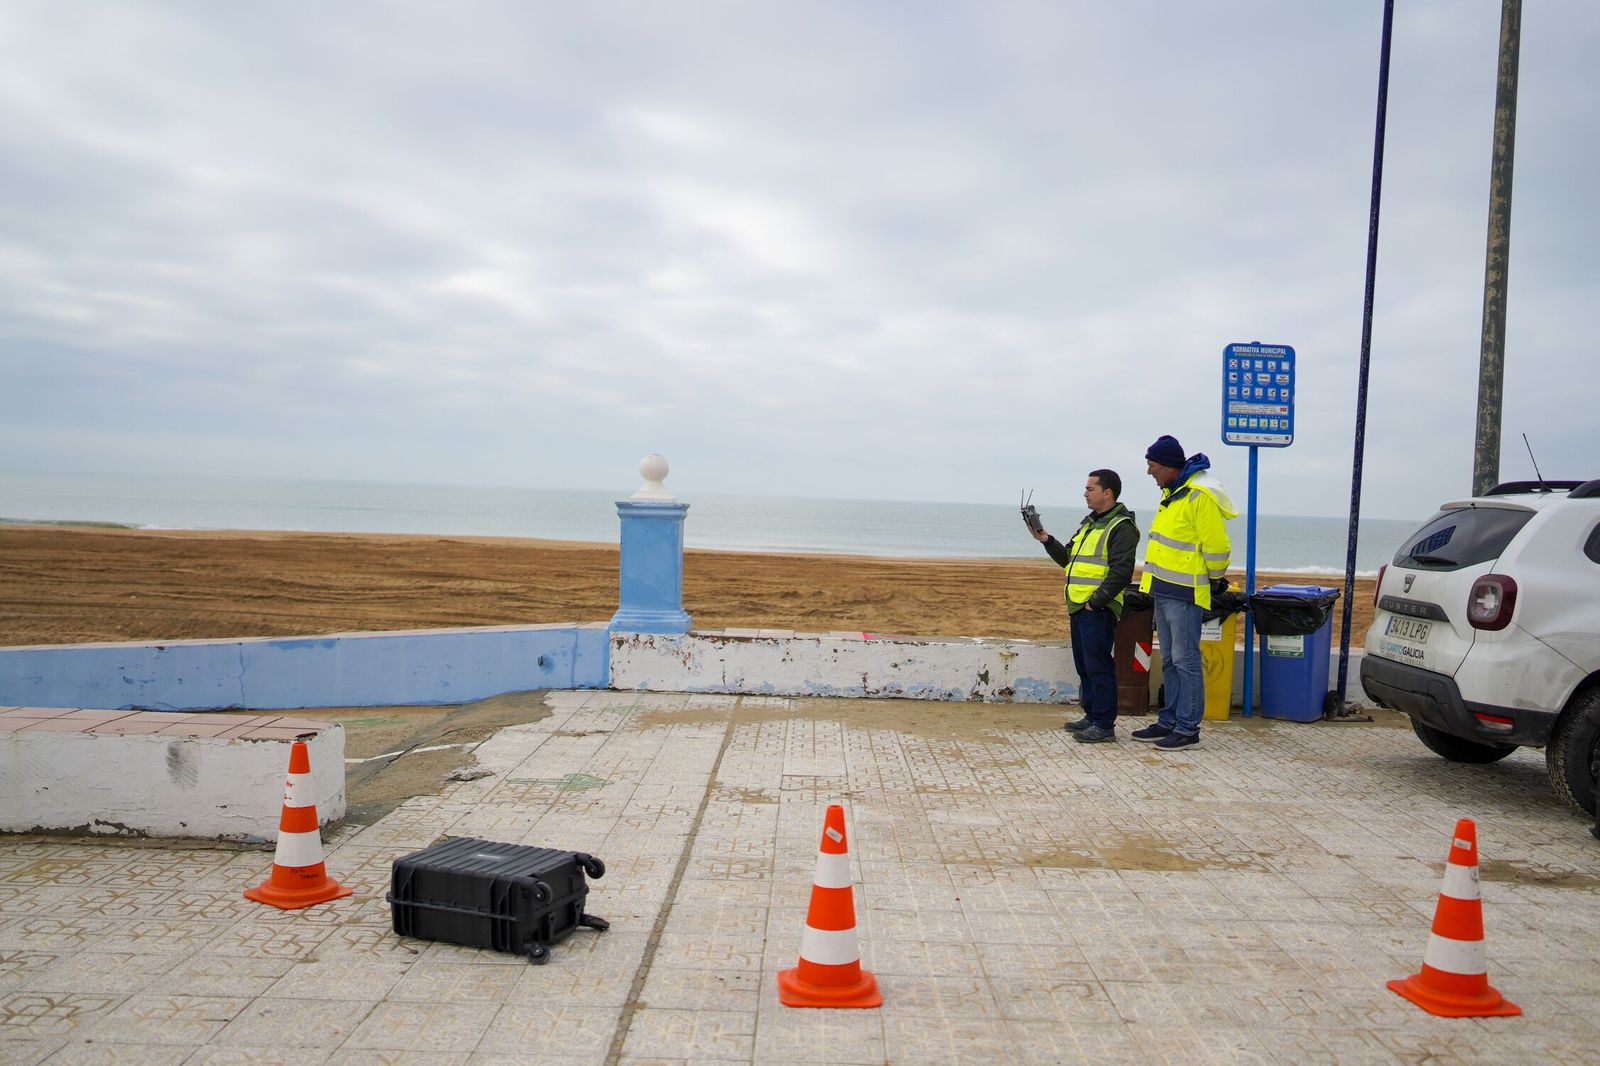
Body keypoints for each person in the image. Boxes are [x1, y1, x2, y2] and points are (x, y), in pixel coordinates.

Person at [1132, 434, 1236, 750]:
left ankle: (1188, 728)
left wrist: (1214, 580)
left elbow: (1217, 547)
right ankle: (1169, 721)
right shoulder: (1173, 495)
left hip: (1185, 592)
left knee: (1185, 659)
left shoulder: (1197, 497)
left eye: (1152, 465)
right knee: (1170, 660)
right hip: (1163, 590)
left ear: (1168, 466)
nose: (1149, 471)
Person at [1032, 469, 1139, 743]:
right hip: (1079, 606)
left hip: (1097, 609)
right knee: (1085, 666)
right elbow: (1069, 558)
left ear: (1107, 493)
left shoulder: (1122, 527)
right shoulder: (1090, 524)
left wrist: (1095, 602)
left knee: (1099, 666)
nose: (1085, 493)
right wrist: (1046, 540)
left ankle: (1104, 725)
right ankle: (1092, 716)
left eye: (1090, 489)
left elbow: (1121, 572)